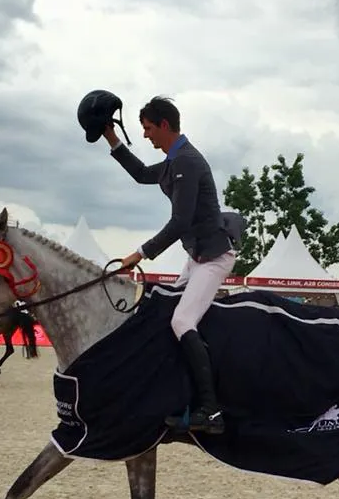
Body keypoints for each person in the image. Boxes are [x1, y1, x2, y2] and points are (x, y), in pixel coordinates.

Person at [101, 95, 237, 435]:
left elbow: (180, 222)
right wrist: (111, 139)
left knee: (181, 319)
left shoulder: (187, 161)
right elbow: (141, 174)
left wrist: (140, 253)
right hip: (197, 256)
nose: (145, 136)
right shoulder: (174, 160)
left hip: (214, 258)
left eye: (147, 129)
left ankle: (212, 411)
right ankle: (178, 393)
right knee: (167, 316)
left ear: (164, 125)